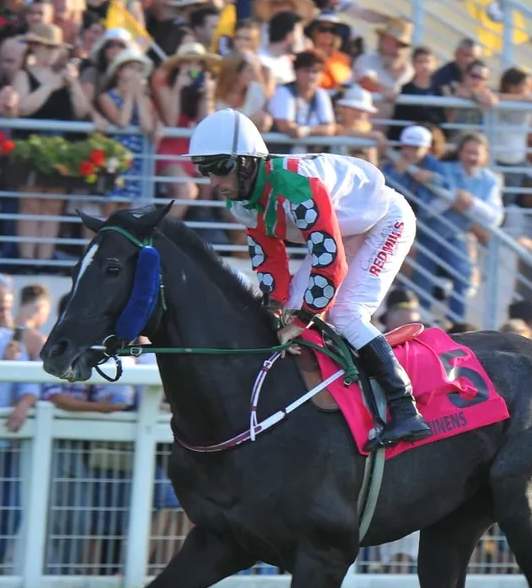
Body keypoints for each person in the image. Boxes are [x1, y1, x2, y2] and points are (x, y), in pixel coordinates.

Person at [184, 108, 432, 446]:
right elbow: (270, 260)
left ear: (246, 163)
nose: (213, 182)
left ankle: (405, 410)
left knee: (344, 314)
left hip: (386, 222)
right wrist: (275, 310)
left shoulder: (296, 184)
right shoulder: (242, 200)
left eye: (219, 169)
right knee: (287, 315)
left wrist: (302, 319)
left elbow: (331, 263)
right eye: (204, 170)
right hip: (346, 231)